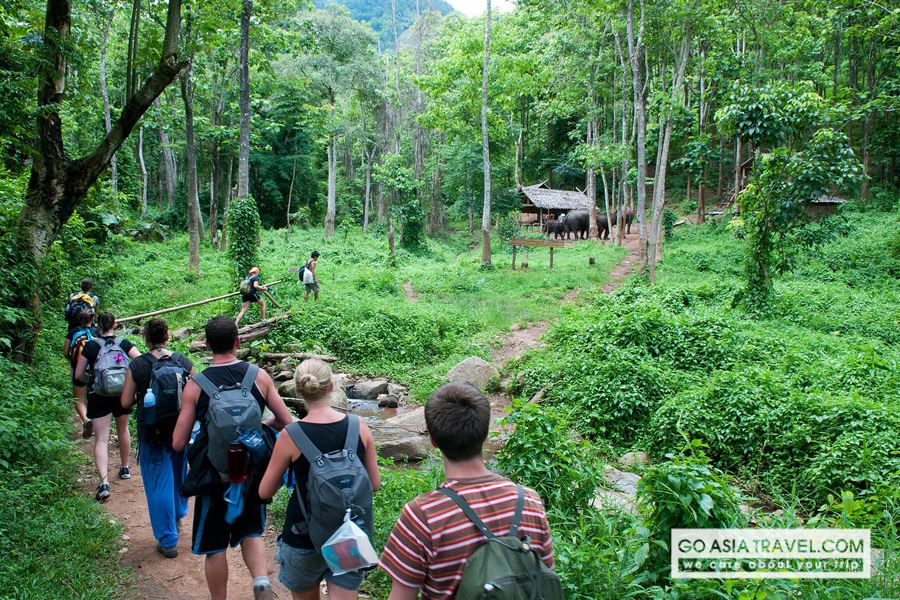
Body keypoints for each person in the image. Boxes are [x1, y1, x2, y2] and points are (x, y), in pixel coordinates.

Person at [379, 382, 556, 599]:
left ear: (432, 441)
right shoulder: (530, 501)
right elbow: (545, 577)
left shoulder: (422, 515)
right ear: (485, 433)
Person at [172, 316, 293, 600]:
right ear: (238, 342)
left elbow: (178, 442)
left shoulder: (196, 385)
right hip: (251, 473)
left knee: (215, 547)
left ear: (208, 345)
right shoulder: (259, 377)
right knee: (251, 531)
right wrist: (262, 426)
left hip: (214, 477)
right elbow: (286, 420)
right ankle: (262, 583)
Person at [259, 359, 381, 600]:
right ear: (331, 387)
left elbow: (265, 492)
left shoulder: (290, 436)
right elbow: (374, 485)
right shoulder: (359, 426)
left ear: (298, 390)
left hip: (302, 534)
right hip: (348, 533)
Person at [121, 318, 195, 558]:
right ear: (167, 335)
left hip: (151, 433)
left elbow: (125, 402)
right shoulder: (182, 361)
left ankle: (168, 539)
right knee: (177, 474)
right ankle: (178, 511)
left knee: (158, 484)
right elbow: (199, 388)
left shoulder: (139, 365)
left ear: (146, 338)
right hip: (180, 430)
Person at [75, 311, 140, 503]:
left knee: (101, 439)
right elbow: (140, 360)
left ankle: (104, 483)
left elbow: (79, 374)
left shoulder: (91, 345)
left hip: (99, 395)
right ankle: (125, 467)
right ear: (115, 325)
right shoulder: (124, 343)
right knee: (123, 429)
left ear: (98, 325)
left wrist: (93, 380)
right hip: (123, 393)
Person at [65, 279, 99, 438]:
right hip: (93, 369)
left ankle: (85, 420)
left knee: (78, 398)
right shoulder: (97, 333)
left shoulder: (72, 333)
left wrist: (74, 362)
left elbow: (66, 352)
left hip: (77, 366)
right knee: (92, 395)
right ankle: (96, 421)